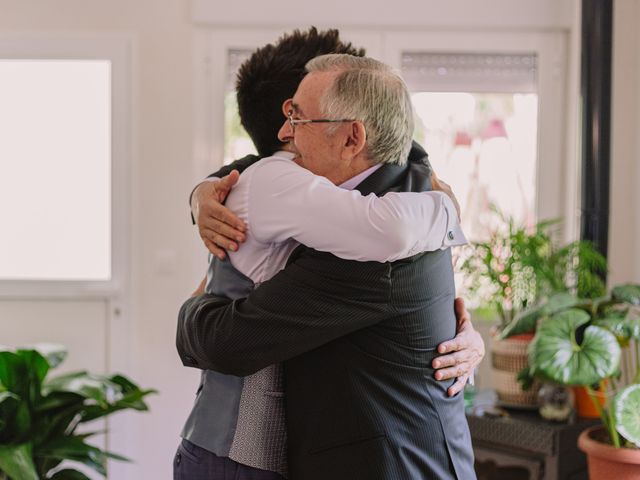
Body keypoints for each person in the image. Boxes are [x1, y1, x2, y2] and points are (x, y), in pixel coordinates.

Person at [175, 29, 467, 480]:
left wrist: (195, 305)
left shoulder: (377, 231)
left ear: (353, 137)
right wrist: (200, 197)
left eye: (299, 116)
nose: (287, 131)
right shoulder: (283, 180)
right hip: (235, 449)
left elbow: (392, 231)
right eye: (290, 112)